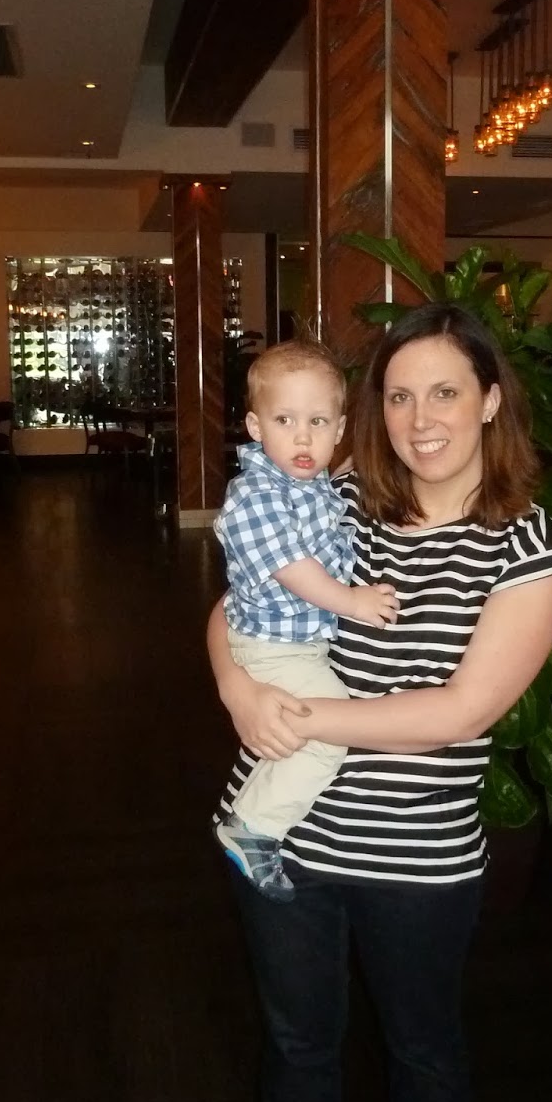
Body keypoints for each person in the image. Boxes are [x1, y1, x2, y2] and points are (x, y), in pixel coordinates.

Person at [208, 302, 552, 1102]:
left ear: (491, 399)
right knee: (298, 1048)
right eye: (399, 396)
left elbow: (461, 712)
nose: (420, 420)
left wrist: (297, 717)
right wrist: (237, 689)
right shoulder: (337, 498)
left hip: (415, 861)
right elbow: (236, 607)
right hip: (279, 840)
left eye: (445, 392)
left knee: (423, 1053)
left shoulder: (530, 549)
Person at [212, 340, 399, 903]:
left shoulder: (311, 485)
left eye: (317, 422)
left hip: (291, 645)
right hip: (272, 647)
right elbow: (292, 568)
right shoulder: (255, 494)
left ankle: (254, 815)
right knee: (324, 735)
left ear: (339, 429)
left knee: (298, 733)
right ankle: (253, 826)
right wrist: (352, 602)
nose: (301, 437)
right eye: (284, 420)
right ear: (255, 426)